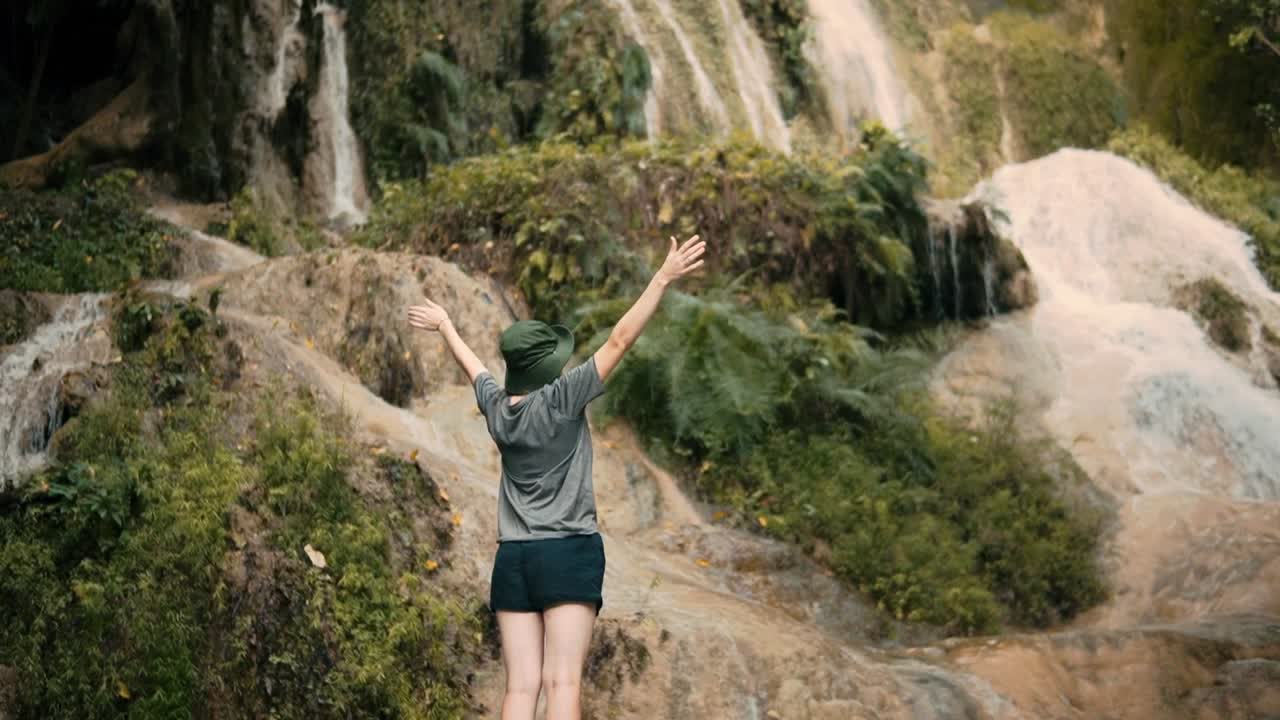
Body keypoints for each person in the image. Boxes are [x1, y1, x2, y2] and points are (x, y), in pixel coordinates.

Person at [406, 234, 706, 720]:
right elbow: (620, 340)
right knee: (562, 682)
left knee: (520, 688)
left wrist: (446, 326)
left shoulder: (498, 410)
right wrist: (662, 277)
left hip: (513, 559)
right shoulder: (563, 399)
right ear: (548, 366)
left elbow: (475, 369)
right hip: (567, 552)